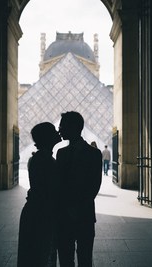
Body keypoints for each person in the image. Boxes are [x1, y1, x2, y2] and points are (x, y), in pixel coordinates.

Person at [56, 111, 102, 267]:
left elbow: (95, 186)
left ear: (73, 127)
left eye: (62, 125)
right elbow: (59, 185)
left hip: (83, 214)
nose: (59, 129)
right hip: (65, 215)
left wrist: (76, 207)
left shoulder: (95, 154)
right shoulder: (60, 153)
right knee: (65, 259)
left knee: (85, 259)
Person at [17, 122, 61, 267]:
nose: (58, 132)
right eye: (54, 130)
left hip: (37, 212)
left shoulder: (41, 157)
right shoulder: (45, 160)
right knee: (41, 255)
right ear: (47, 137)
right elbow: (50, 191)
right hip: (41, 214)